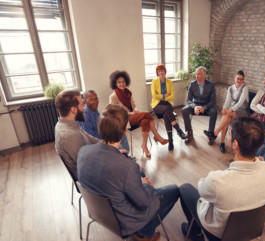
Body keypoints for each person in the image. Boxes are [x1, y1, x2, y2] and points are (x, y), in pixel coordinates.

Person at [77, 104, 179, 241]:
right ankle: (145, 234)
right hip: (125, 221)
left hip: (100, 213)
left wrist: (117, 155)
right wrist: (145, 185)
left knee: (139, 176)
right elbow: (144, 202)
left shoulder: (83, 152)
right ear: (125, 129)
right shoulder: (128, 167)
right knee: (173, 190)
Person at [179, 117, 265, 241]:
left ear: (235, 144)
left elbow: (202, 191)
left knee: (185, 189)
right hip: (251, 230)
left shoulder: (217, 181)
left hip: (219, 235)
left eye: (229, 134)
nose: (227, 138)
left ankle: (195, 233)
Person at [109, 70, 168, 158]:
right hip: (124, 120)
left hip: (133, 116)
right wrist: (130, 112)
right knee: (147, 113)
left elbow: (134, 104)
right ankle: (157, 137)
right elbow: (114, 112)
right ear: (115, 84)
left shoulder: (128, 93)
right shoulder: (113, 96)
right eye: (119, 82)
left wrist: (135, 109)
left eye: (123, 82)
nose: (122, 84)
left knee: (145, 121)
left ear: (126, 81)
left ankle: (144, 146)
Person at [54, 90, 99, 180]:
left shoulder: (69, 124)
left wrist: (110, 147)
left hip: (91, 167)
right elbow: (87, 167)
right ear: (73, 110)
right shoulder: (69, 136)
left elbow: (91, 139)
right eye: (82, 104)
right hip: (91, 180)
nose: (85, 107)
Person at [205, 70, 249, 153]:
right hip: (234, 110)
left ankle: (215, 134)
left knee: (227, 115)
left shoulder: (245, 88)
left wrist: (230, 110)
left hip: (243, 111)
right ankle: (221, 143)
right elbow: (227, 101)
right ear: (234, 78)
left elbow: (240, 102)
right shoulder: (231, 88)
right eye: (238, 78)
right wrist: (224, 109)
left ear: (243, 80)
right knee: (226, 118)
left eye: (241, 79)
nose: (239, 81)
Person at [151, 64, 187, 151]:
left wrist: (161, 95)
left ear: (165, 71)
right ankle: (179, 131)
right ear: (157, 73)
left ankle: (170, 141)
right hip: (157, 105)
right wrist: (165, 95)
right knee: (167, 110)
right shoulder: (154, 82)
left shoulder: (169, 82)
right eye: (158, 71)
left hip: (167, 104)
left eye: (162, 70)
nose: (161, 73)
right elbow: (154, 95)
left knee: (166, 114)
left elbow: (172, 96)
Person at [182, 66, 217, 145]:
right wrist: (195, 106)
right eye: (196, 74)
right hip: (195, 105)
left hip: (206, 105)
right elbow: (189, 100)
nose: (197, 76)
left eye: (199, 74)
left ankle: (210, 134)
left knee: (214, 112)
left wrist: (204, 107)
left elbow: (213, 100)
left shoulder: (211, 84)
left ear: (204, 74)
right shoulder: (192, 84)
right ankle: (189, 132)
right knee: (184, 110)